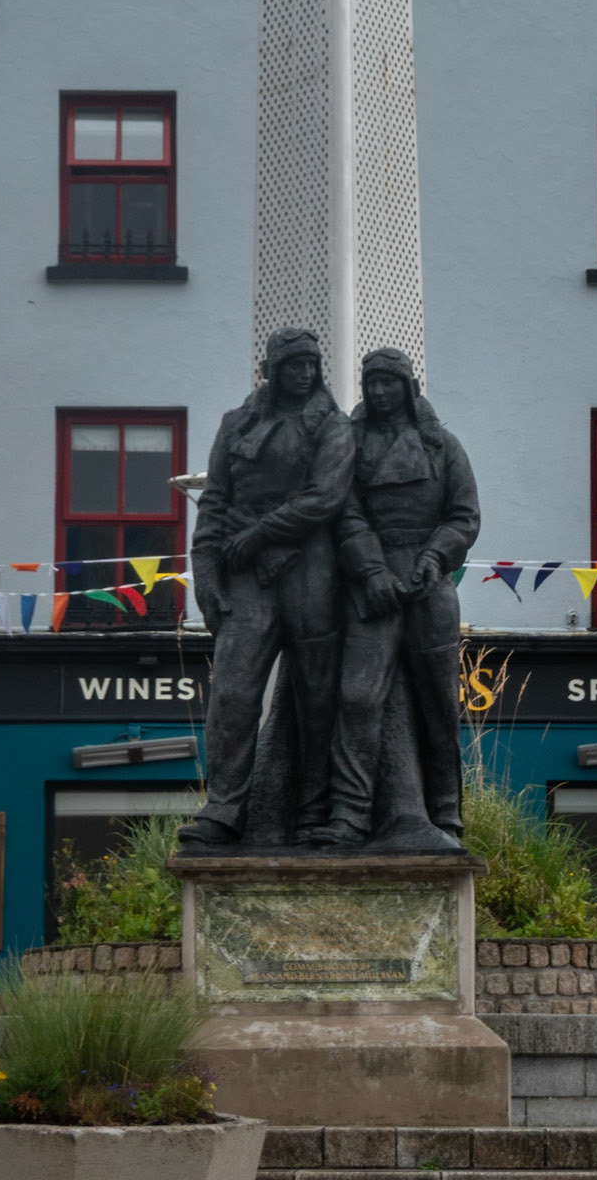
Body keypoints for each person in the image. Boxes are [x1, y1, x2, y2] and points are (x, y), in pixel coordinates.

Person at [180, 327, 355, 846]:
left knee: (316, 696)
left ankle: (313, 809)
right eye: (294, 364)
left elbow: (325, 497)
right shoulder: (236, 424)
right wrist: (206, 578)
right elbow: (214, 503)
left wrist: (259, 534)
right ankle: (223, 807)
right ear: (272, 370)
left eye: (312, 364)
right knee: (232, 693)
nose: (305, 373)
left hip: (311, 570)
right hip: (245, 576)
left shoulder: (333, 425)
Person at [316, 347, 480, 849]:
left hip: (430, 584)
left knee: (439, 702)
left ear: (408, 387)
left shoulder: (443, 445)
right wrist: (371, 571)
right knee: (357, 697)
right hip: (371, 585)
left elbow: (464, 516)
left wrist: (434, 556)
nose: (380, 392)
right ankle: (350, 815)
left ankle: (446, 813)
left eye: (389, 382)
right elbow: (343, 513)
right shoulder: (349, 445)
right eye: (372, 383)